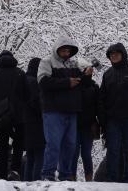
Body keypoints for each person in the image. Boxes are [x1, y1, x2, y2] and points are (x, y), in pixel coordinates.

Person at [98, 42, 128, 183]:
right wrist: (103, 117)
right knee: (113, 150)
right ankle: (112, 180)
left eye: (116, 54)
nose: (114, 56)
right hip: (113, 120)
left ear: (123, 55)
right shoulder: (107, 75)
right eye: (111, 55)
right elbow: (102, 97)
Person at [37, 36, 83, 181]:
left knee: (70, 145)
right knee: (54, 144)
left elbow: (80, 84)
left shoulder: (73, 64)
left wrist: (86, 76)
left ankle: (65, 175)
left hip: (71, 111)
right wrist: (67, 83)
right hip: (53, 110)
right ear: (57, 50)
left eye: (68, 50)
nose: (66, 52)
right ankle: (48, 175)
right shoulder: (46, 62)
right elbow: (43, 82)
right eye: (63, 50)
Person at [0, 50, 28, 181]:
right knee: (18, 144)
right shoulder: (20, 73)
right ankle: (15, 170)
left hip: (1, 116)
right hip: (19, 115)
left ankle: (2, 173)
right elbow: (27, 94)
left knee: (2, 144)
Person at [69, 59, 100, 181]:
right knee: (74, 154)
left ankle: (89, 180)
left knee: (86, 154)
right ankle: (71, 178)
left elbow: (99, 106)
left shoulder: (94, 87)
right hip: (75, 125)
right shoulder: (74, 86)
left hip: (88, 126)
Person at [22, 58, 45, 181]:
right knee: (39, 154)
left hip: (25, 122)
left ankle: (27, 182)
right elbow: (35, 102)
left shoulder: (23, 80)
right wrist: (44, 112)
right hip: (36, 123)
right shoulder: (34, 82)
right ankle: (37, 182)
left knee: (30, 156)